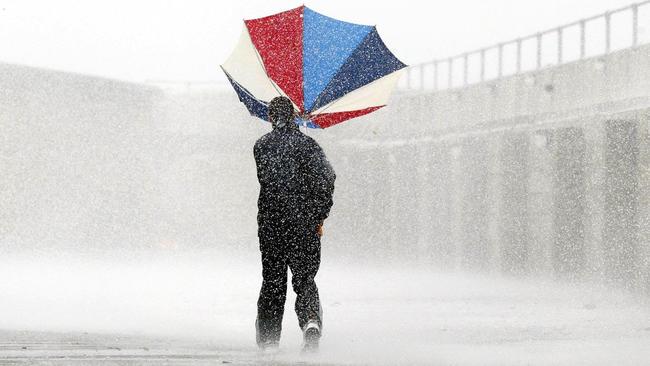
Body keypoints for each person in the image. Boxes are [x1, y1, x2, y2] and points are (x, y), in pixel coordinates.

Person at [253, 96, 336, 352]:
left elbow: (273, 180)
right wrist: (319, 214)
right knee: (304, 279)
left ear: (270, 117)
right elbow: (327, 178)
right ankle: (311, 321)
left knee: (273, 280)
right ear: (294, 116)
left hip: (272, 224)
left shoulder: (261, 146)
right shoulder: (309, 146)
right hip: (303, 224)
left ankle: (268, 340)